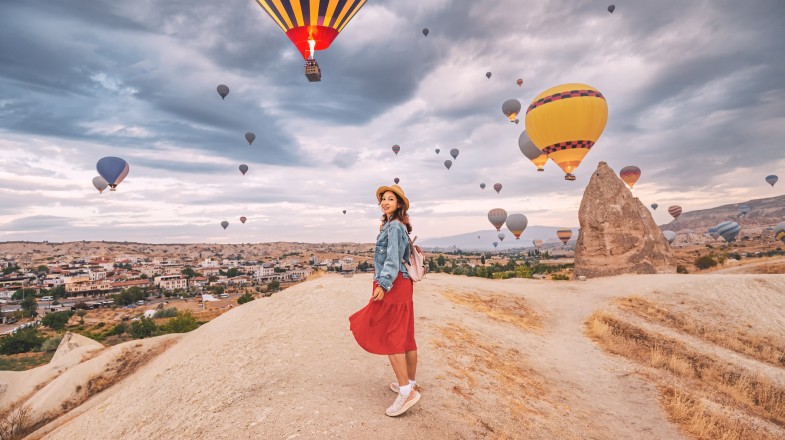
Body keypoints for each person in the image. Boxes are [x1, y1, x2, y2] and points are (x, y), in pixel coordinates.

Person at [349, 184, 420, 417]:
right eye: (383, 199)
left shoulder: (395, 227)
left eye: (391, 199)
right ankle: (410, 382)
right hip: (401, 285)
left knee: (392, 337)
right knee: (406, 336)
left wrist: (383, 284)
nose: (386, 202)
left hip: (393, 284)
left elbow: (391, 259)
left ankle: (406, 392)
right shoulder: (396, 226)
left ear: (399, 204)